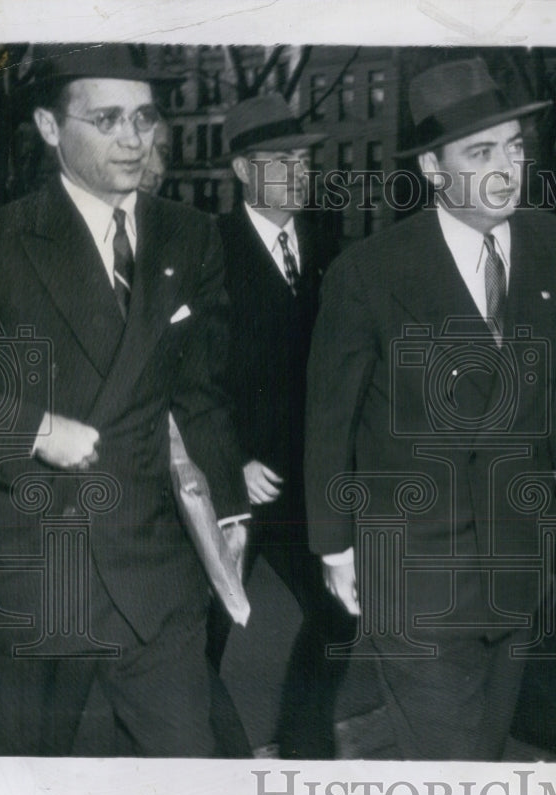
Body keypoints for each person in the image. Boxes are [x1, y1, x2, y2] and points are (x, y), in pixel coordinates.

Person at [304, 57, 556, 760]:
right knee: (451, 765)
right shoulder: (370, 272)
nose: (507, 167)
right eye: (481, 152)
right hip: (413, 571)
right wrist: (334, 546)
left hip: (519, 557)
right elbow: (330, 422)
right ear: (436, 171)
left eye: (515, 147)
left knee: (486, 751)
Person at [0, 44, 249, 756]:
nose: (134, 138)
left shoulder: (190, 236)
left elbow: (201, 393)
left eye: (144, 116)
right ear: (46, 125)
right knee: (24, 782)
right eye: (105, 118)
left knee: (193, 772)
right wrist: (31, 429)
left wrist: (230, 510)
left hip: (154, 574)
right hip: (38, 574)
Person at [207, 94, 347, 757]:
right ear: (241, 171)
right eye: (278, 160)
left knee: (340, 609)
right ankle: (213, 765)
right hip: (234, 485)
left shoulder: (327, 241)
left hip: (307, 478)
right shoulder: (209, 252)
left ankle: (305, 747)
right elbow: (185, 376)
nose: (298, 171)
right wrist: (229, 457)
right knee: (205, 631)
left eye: (302, 158)